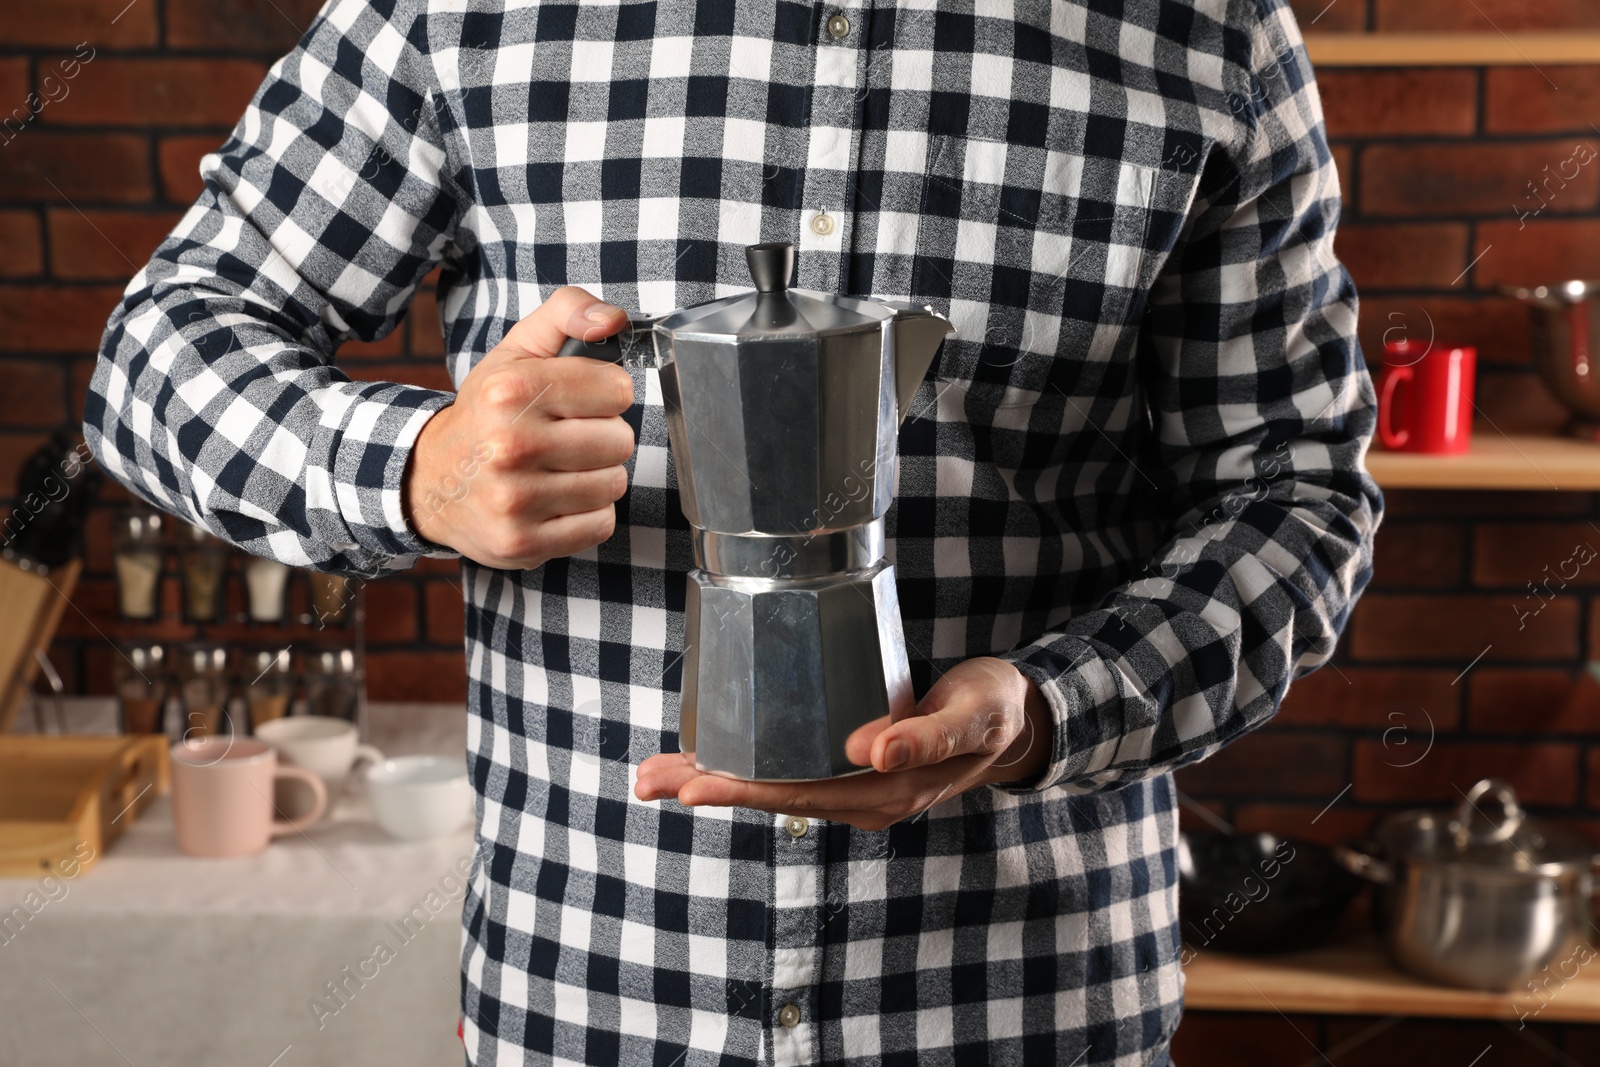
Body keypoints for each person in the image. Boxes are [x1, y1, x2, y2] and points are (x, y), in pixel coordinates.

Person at [86, 1, 1380, 1063]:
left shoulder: (1201, 35)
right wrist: (416, 470)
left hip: (1020, 993)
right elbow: (159, 350)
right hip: (592, 998)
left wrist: (1051, 709)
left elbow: (1295, 495)